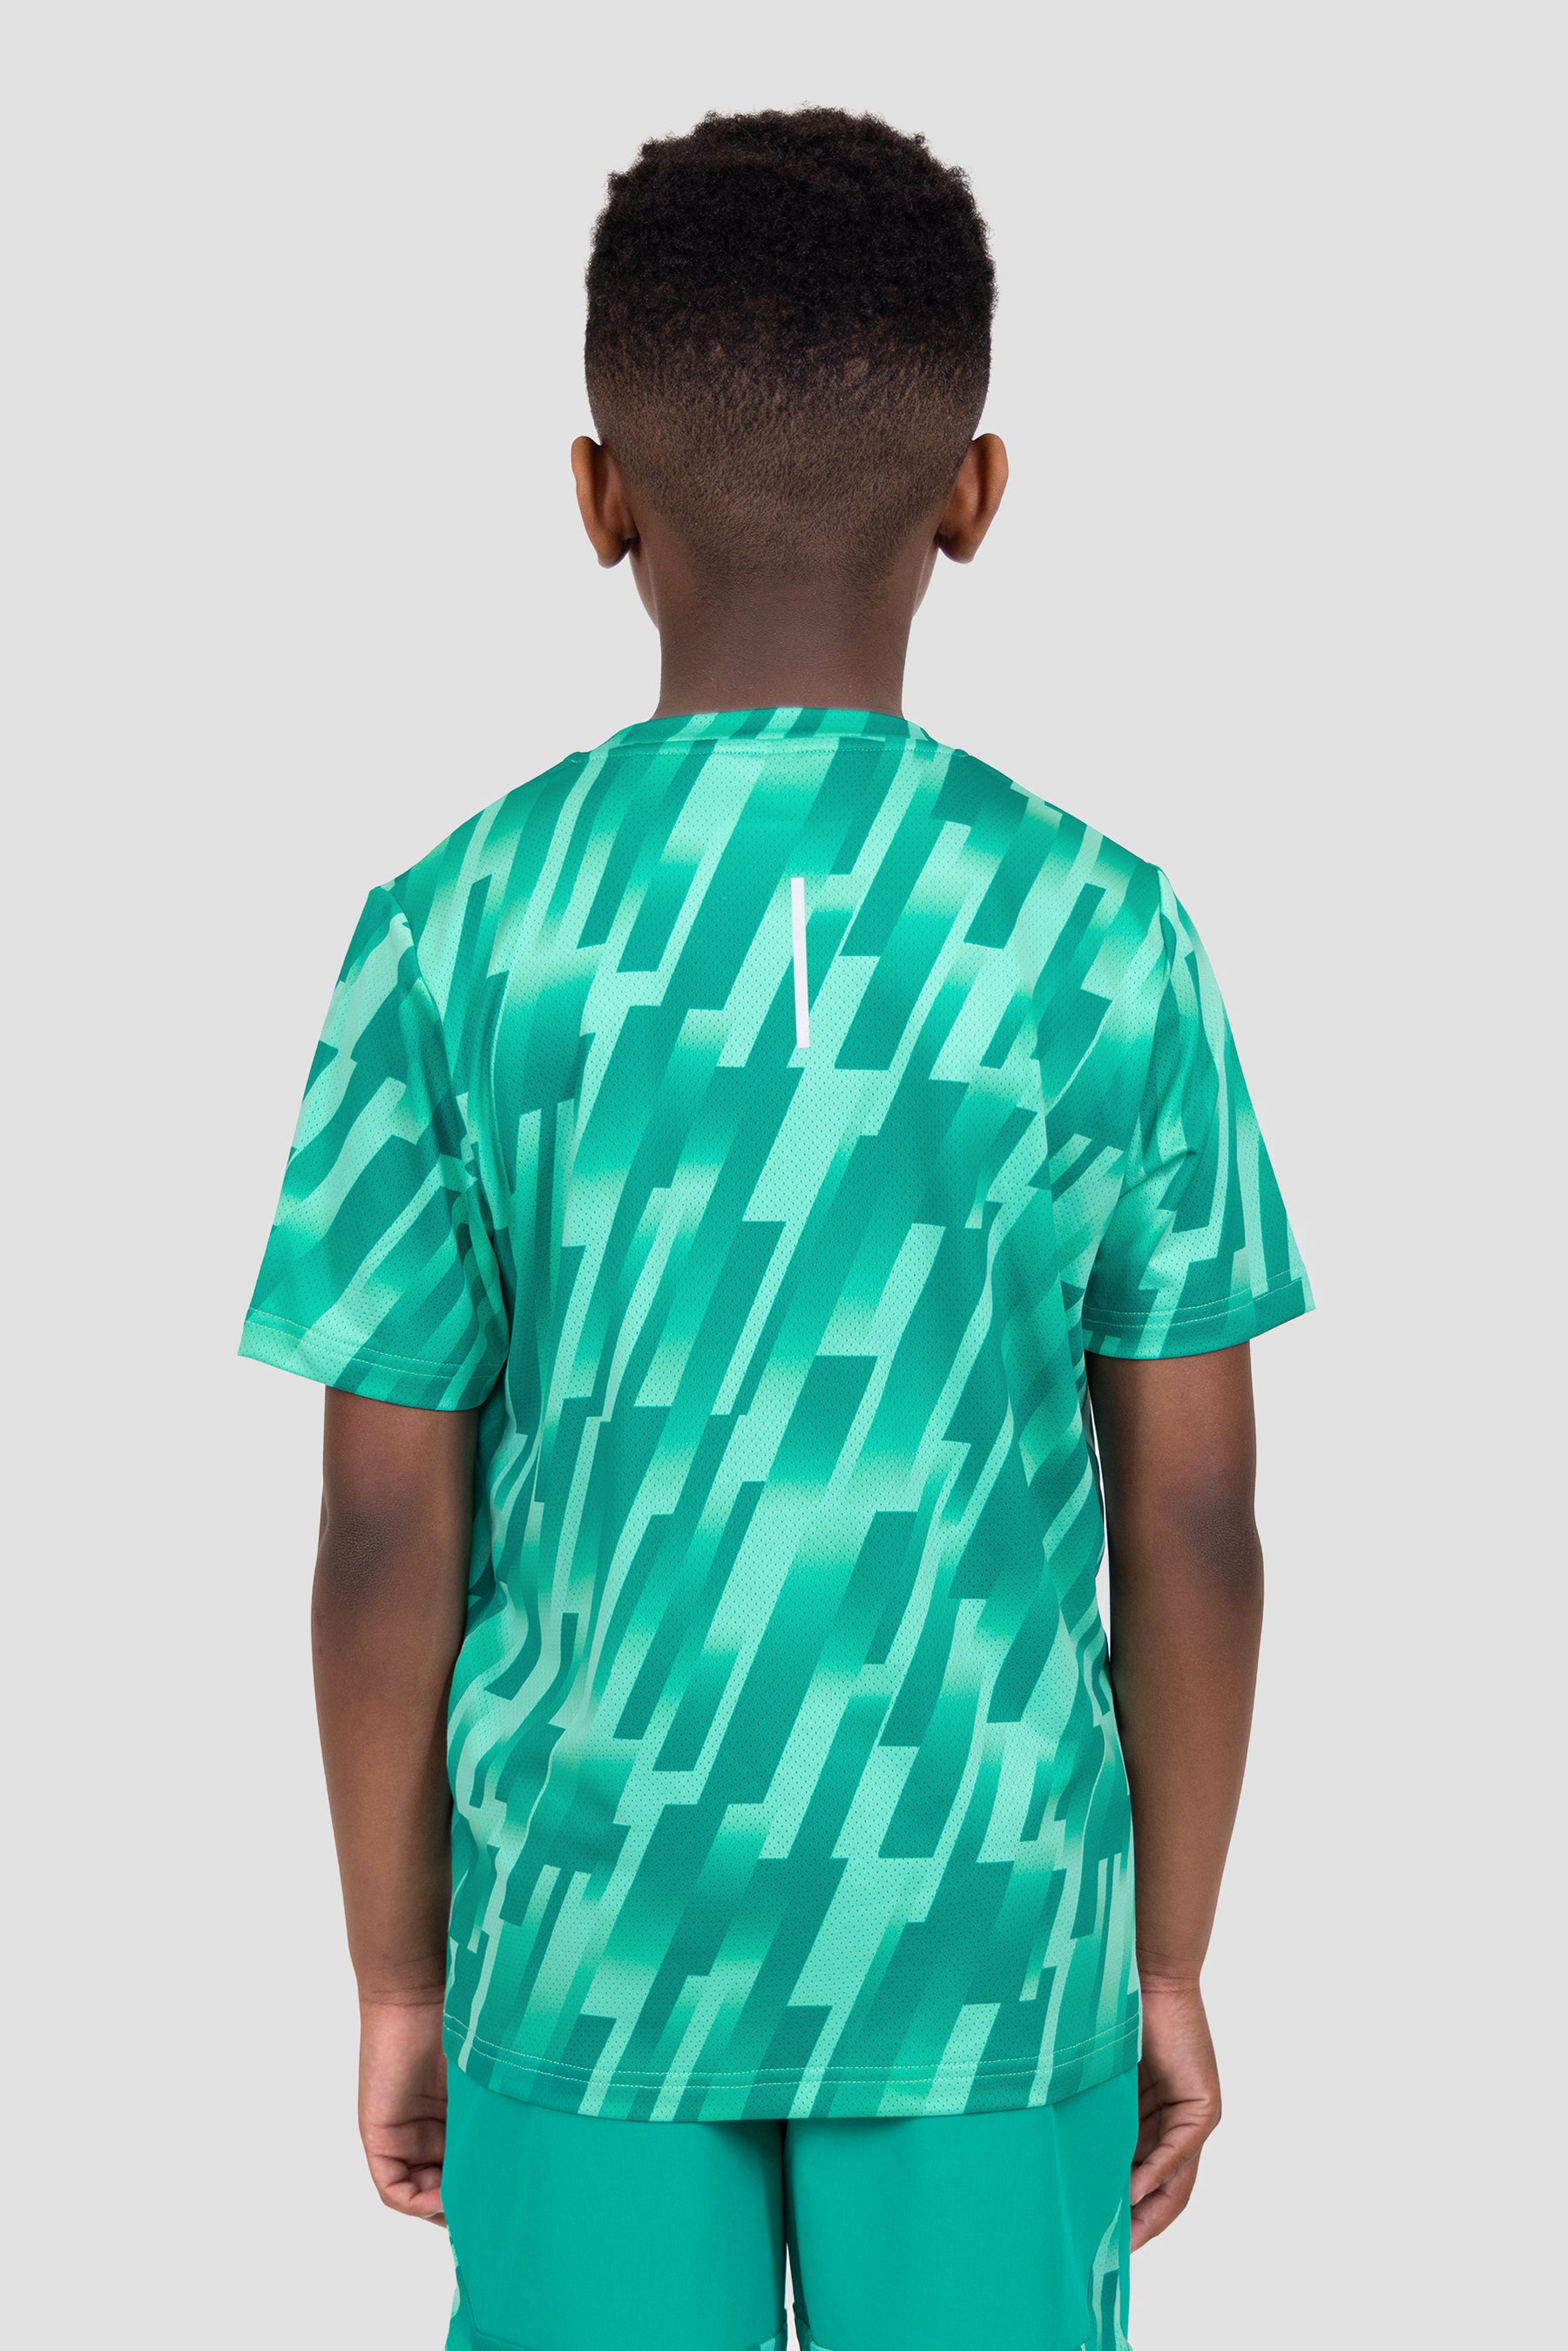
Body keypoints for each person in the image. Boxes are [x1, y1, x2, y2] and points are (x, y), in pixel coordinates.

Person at [240, 106, 1311, 2351]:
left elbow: (382, 1524)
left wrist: (402, 1973)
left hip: (587, 1941)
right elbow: (1196, 1513)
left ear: (598, 496)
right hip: (989, 1941)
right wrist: (1167, 1959)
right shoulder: (1100, 938)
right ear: (975, 493)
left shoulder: (458, 934)